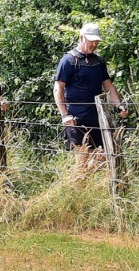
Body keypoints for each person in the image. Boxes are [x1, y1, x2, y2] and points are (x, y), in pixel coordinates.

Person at [53, 23, 127, 172]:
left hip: (98, 117)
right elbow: (58, 88)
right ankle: (77, 186)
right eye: (91, 40)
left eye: (96, 41)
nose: (94, 44)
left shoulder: (99, 61)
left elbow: (108, 85)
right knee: (82, 161)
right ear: (81, 37)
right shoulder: (68, 60)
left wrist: (119, 105)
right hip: (76, 118)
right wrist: (65, 115)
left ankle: (91, 186)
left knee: (101, 159)